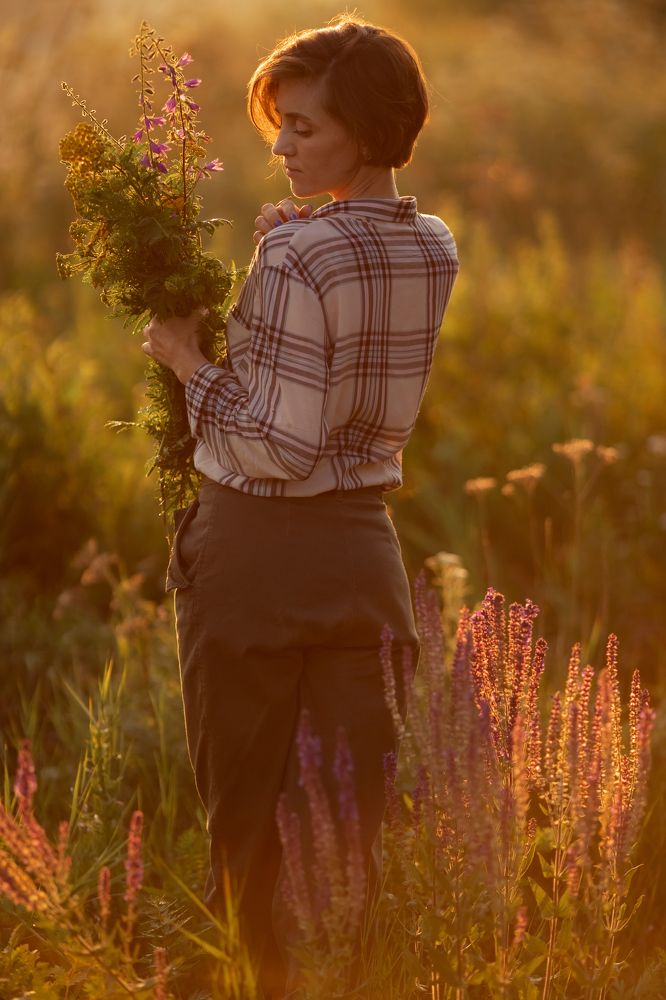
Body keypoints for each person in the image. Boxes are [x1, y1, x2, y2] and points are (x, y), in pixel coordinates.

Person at [142, 15, 459, 999]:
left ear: (363, 129)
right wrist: (291, 238)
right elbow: (343, 339)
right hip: (365, 554)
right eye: (279, 127)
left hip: (254, 557)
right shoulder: (437, 244)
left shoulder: (296, 257)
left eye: (304, 128)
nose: (281, 148)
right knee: (356, 838)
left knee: (246, 828)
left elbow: (280, 440)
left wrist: (188, 360)